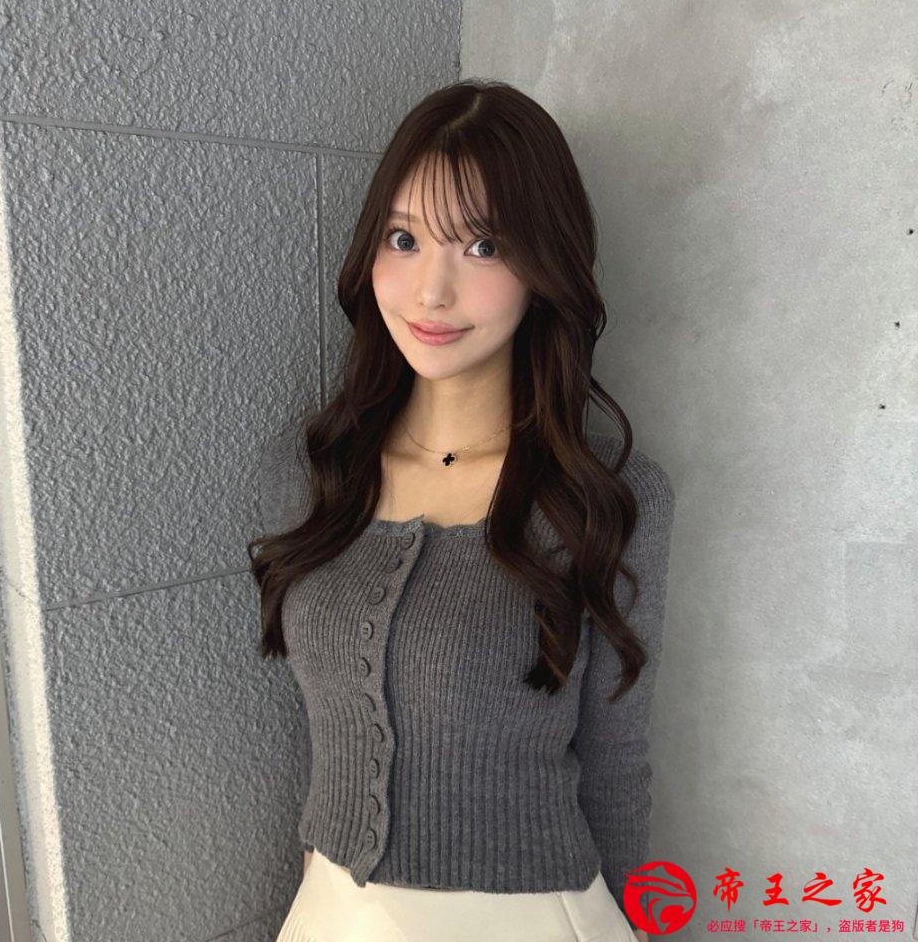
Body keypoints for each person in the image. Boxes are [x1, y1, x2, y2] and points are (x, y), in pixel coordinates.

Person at [249, 78, 675, 942]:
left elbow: (617, 761)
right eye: (403, 239)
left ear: (544, 267)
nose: (430, 292)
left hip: (529, 918)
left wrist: (646, 922)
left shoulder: (600, 497)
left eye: (482, 245)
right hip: (329, 912)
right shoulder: (329, 471)